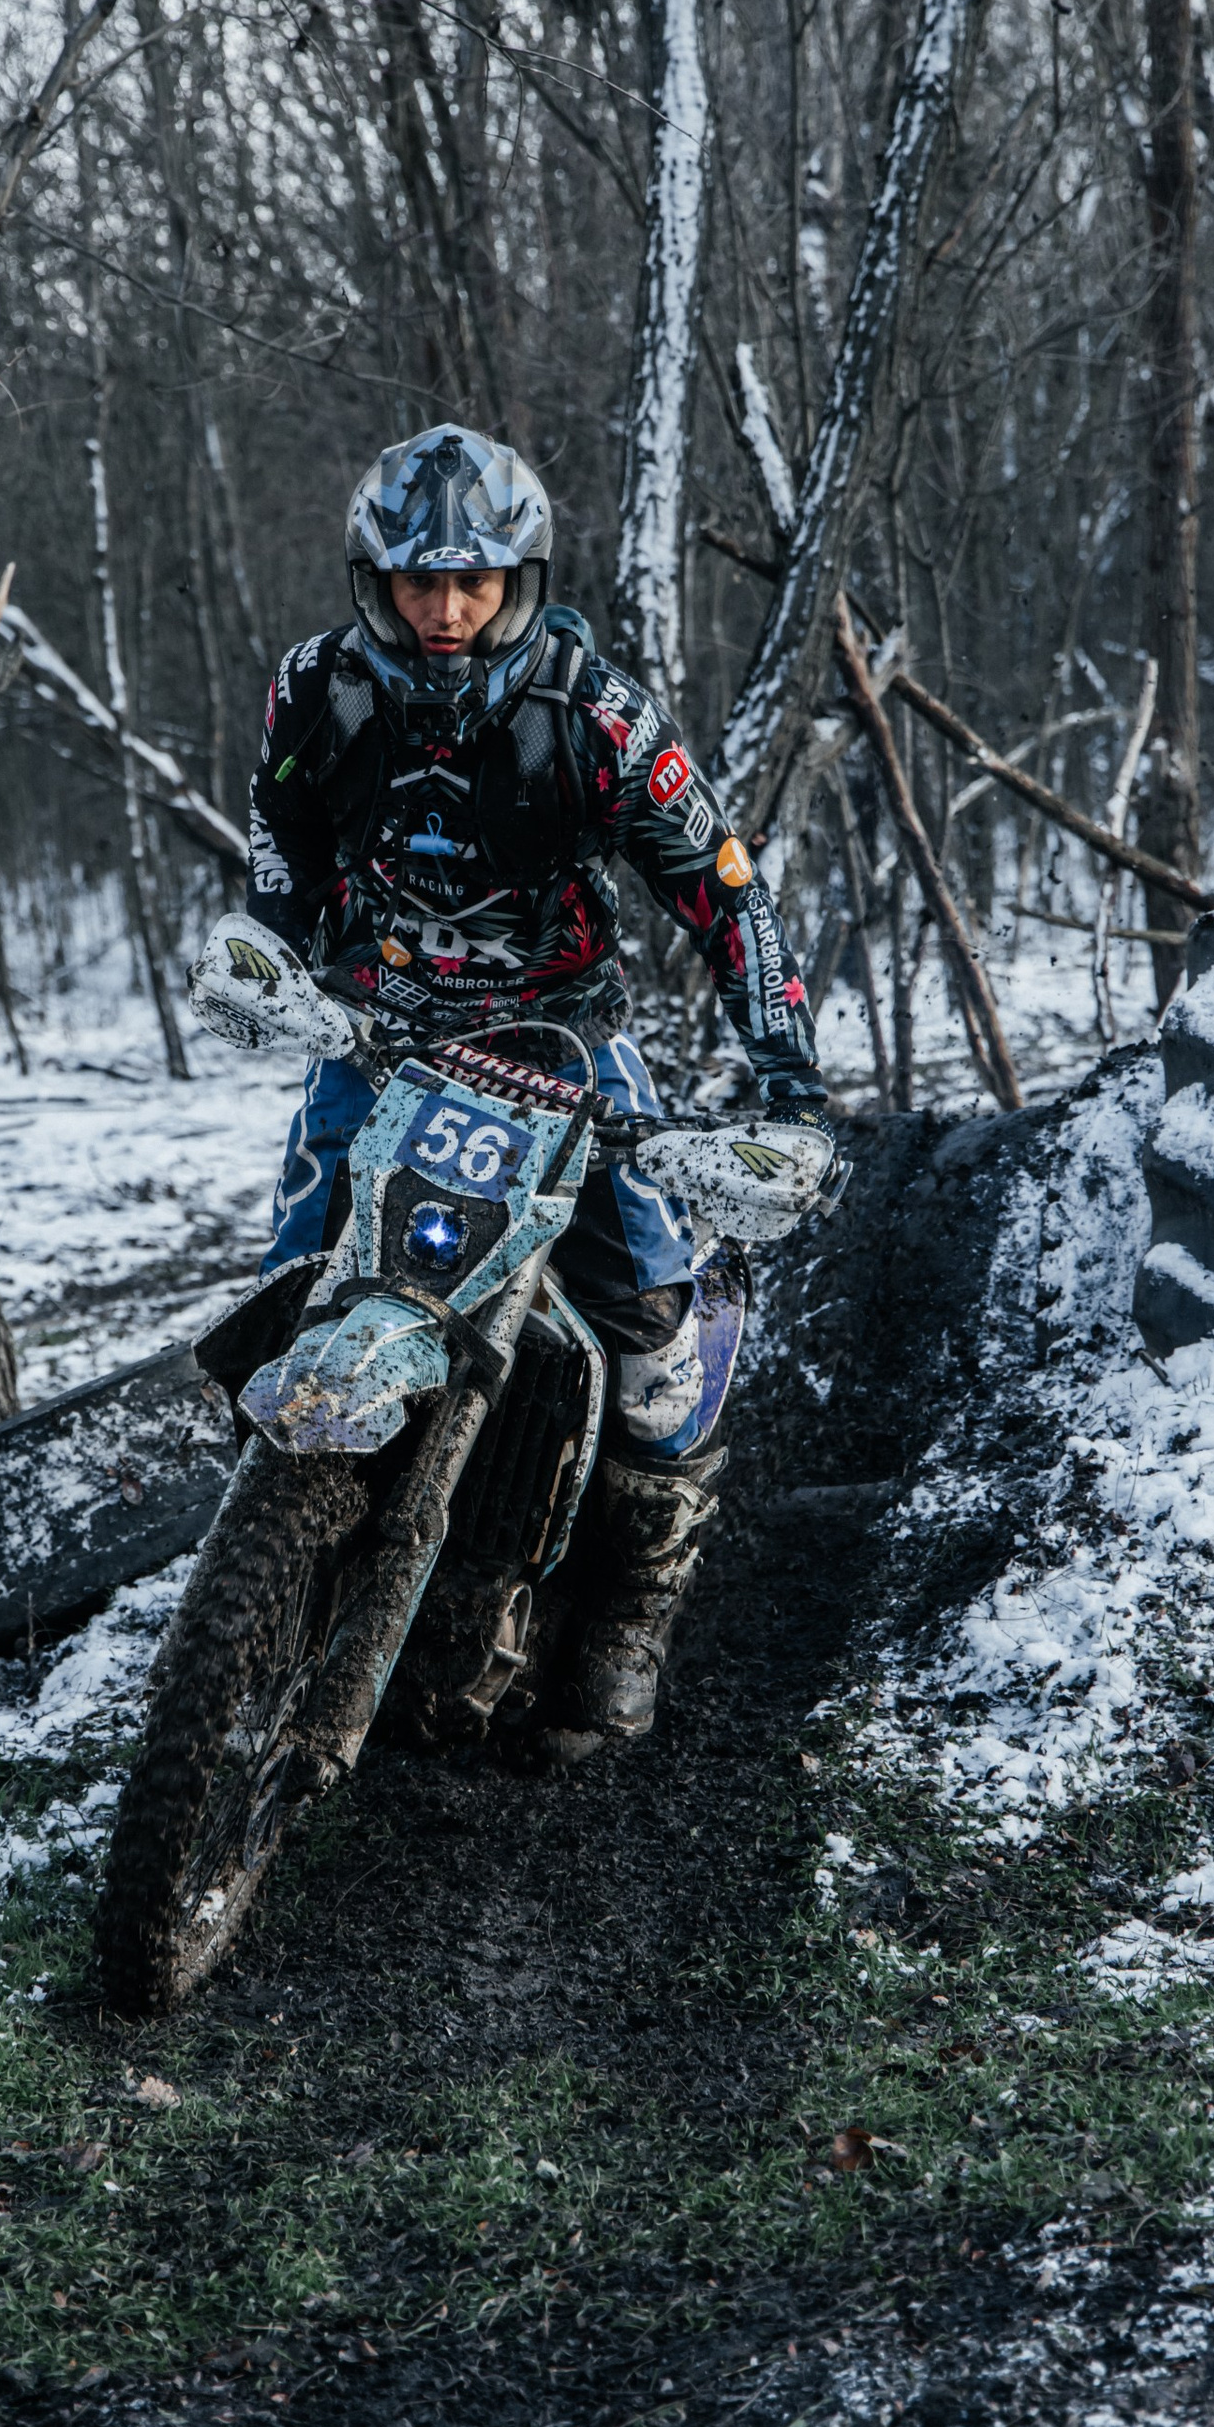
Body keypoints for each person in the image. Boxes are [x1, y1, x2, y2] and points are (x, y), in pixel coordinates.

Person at [240, 424, 828, 1743]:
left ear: (519, 581)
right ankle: (270, 1575)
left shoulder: (596, 715)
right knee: (283, 1300)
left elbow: (727, 894)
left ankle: (630, 1608)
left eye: (474, 584)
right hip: (383, 1038)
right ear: (374, 581)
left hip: (567, 1055)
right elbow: (278, 845)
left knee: (659, 1350)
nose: (444, 612)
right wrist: (263, 954)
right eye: (416, 583)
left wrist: (785, 1077)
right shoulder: (313, 691)